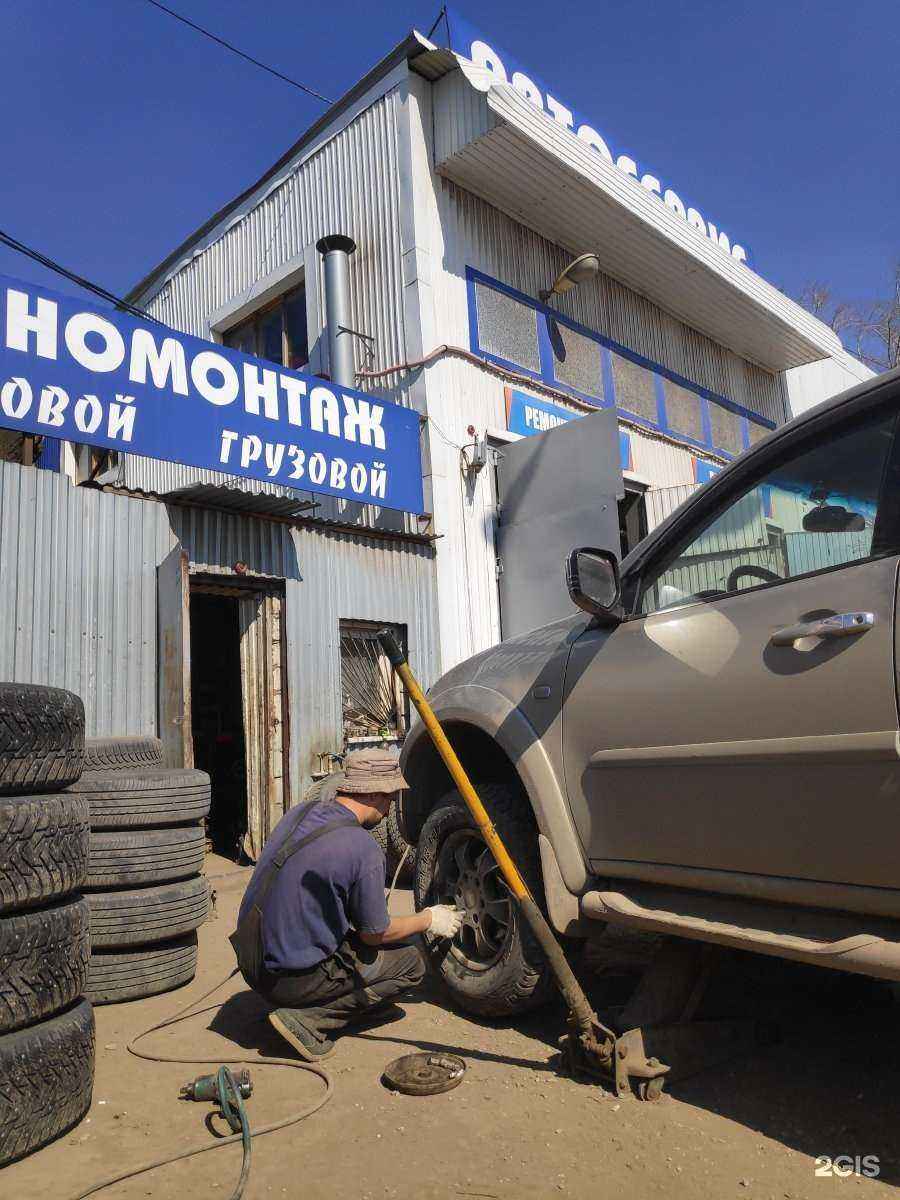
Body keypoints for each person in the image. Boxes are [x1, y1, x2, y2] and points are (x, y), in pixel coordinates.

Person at [236, 748, 463, 1061]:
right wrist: (428, 918)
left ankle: (338, 1004)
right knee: (411, 962)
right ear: (374, 795)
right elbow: (375, 934)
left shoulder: (300, 812)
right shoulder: (363, 848)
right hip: (287, 981)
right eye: (390, 799)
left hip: (251, 959)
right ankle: (309, 1020)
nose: (389, 811)